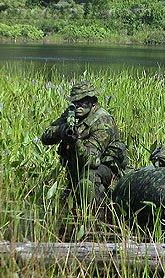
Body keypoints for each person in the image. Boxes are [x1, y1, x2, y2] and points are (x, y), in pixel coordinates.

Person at [41, 81, 128, 216]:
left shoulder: (102, 121)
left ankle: (97, 215)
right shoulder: (71, 114)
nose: (78, 106)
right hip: (77, 172)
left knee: (88, 179)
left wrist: (76, 141)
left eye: (83, 102)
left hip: (104, 171)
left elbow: (91, 161)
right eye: (75, 102)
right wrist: (61, 130)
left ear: (93, 102)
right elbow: (45, 137)